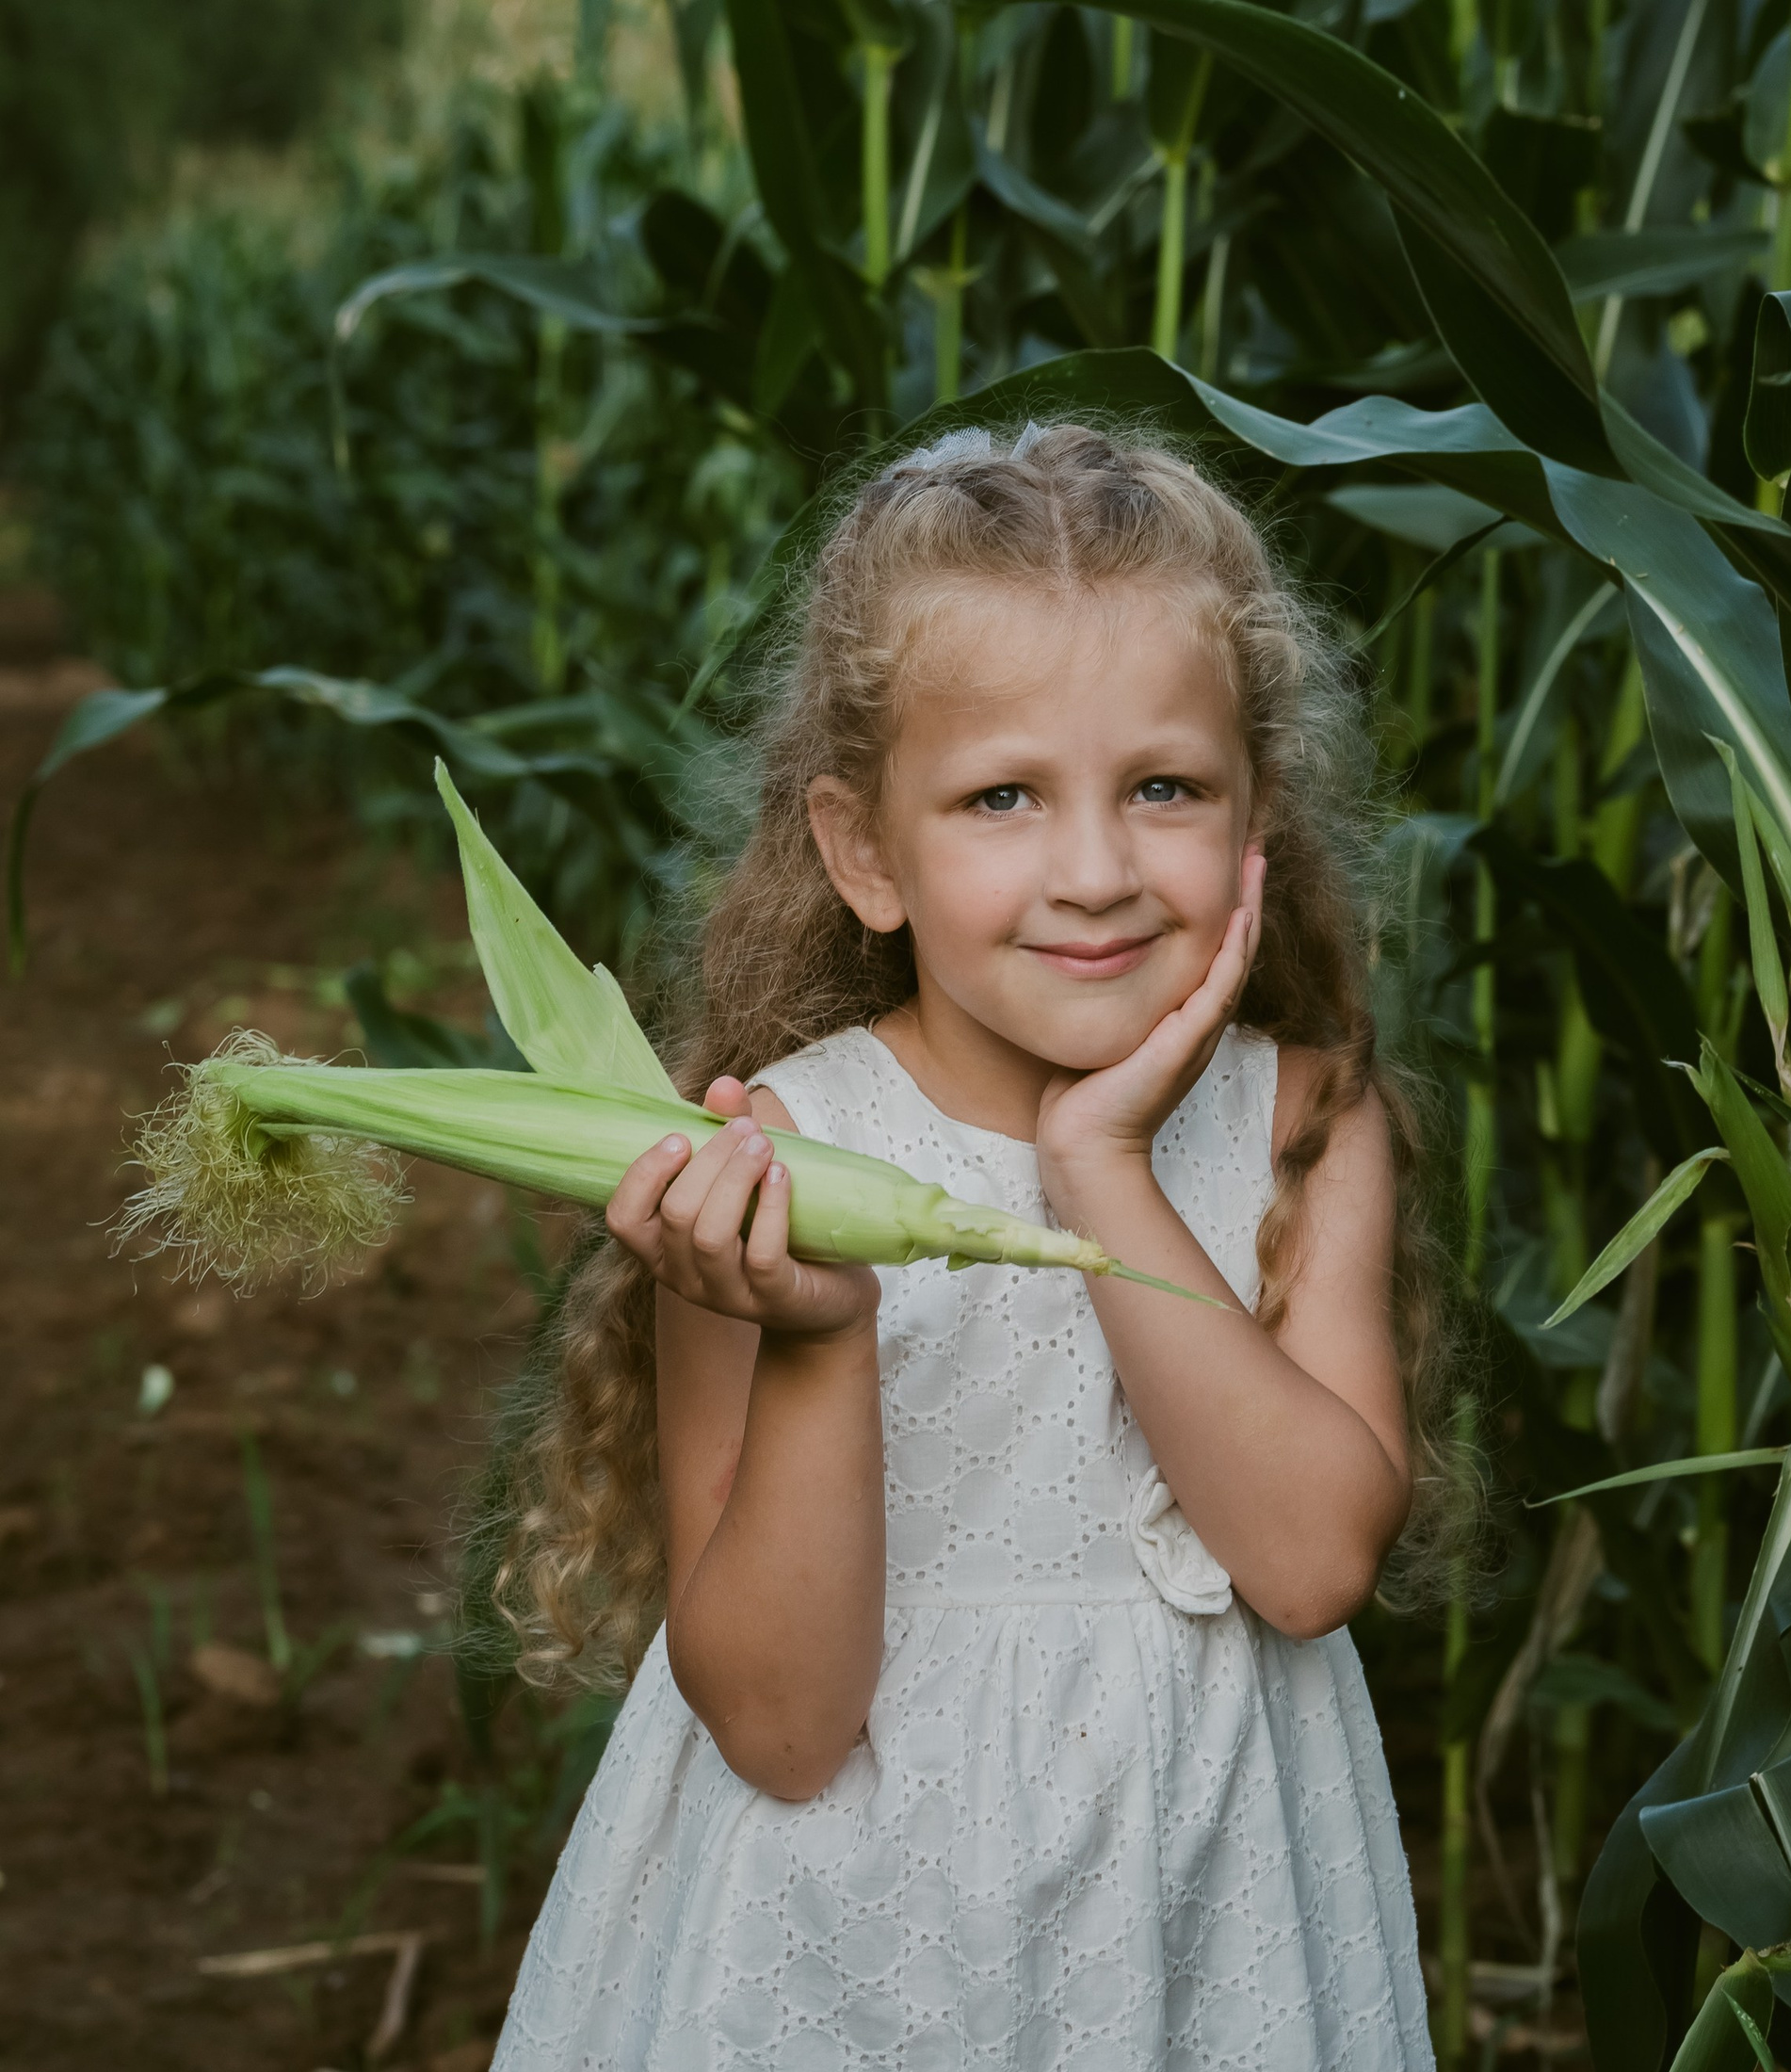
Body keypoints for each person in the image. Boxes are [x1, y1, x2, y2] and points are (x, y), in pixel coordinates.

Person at [485, 424, 1458, 2069]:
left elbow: (1308, 1566)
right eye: (1001, 796)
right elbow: (784, 1733)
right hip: (852, 1933)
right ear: (866, 852)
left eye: (1164, 788)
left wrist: (1103, 1165)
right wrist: (816, 1333)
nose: (1093, 871)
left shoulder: (1305, 1122)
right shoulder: (772, 1158)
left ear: (1250, 826)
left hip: (1201, 1907)